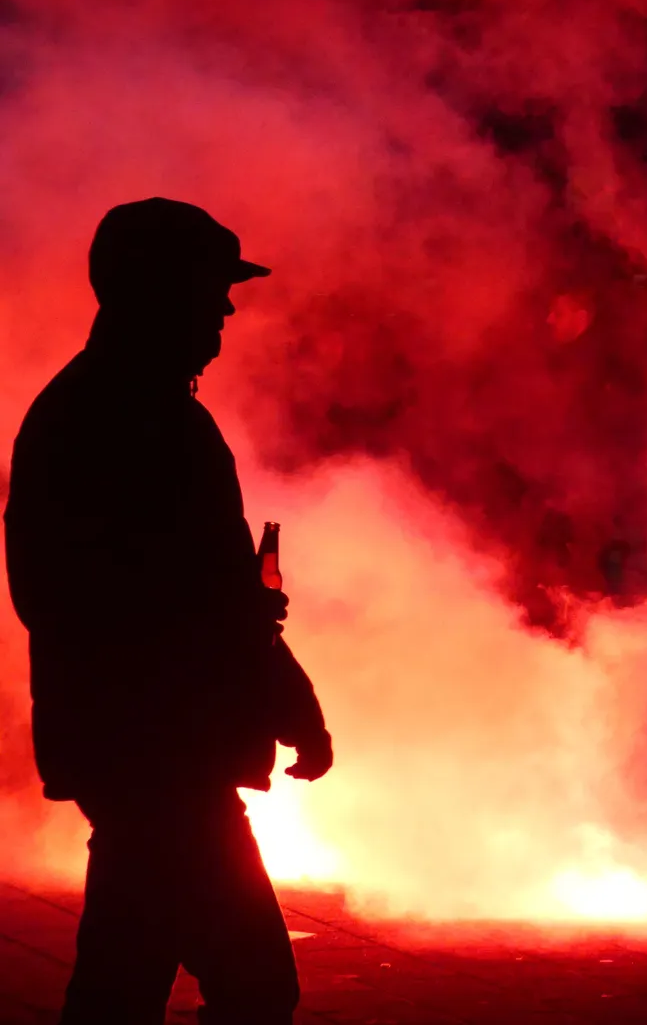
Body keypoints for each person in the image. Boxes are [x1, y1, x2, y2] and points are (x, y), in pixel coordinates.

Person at [4, 198, 333, 1024]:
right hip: (162, 756)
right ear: (157, 292)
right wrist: (282, 693)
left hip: (134, 751)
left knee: (124, 975)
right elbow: (192, 602)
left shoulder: (114, 409)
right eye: (210, 291)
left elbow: (196, 592)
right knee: (254, 983)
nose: (224, 311)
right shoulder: (133, 420)